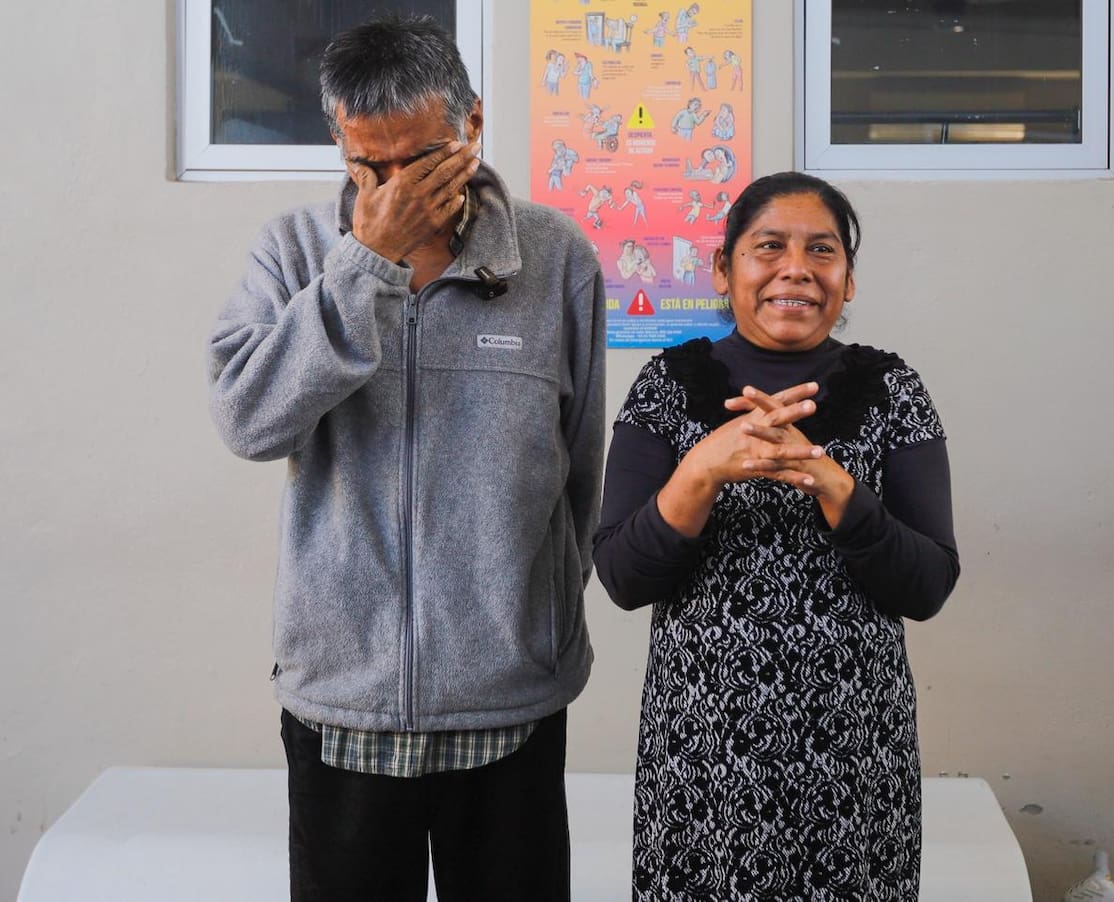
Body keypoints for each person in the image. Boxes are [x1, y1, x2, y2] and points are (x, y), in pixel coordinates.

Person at [206, 16, 606, 902]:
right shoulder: (294, 252)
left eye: (419, 161)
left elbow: (582, 469)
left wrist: (534, 619)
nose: (394, 187)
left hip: (510, 697)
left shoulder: (557, 259)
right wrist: (367, 264)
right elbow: (247, 420)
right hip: (342, 694)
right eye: (366, 166)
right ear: (339, 141)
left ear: (471, 124)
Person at [594, 172, 959, 900]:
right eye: (769, 247)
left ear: (847, 280)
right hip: (704, 756)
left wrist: (836, 487)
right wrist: (702, 470)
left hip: (854, 754)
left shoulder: (893, 392)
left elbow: (928, 585)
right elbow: (624, 579)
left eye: (822, 251)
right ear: (724, 270)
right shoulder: (669, 386)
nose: (796, 268)